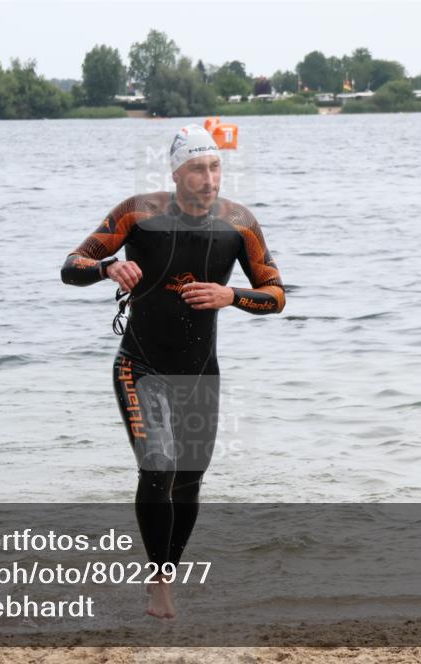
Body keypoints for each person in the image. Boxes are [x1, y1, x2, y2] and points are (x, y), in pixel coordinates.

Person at [60, 124, 285, 618]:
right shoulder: (138, 214)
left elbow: (277, 295)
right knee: (157, 464)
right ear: (177, 173)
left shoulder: (240, 223)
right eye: (198, 169)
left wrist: (233, 296)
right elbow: (71, 264)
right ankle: (159, 586)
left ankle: (165, 574)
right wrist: (107, 268)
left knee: (189, 480)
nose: (209, 179)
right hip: (139, 365)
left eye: (216, 167)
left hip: (200, 372)